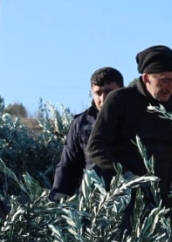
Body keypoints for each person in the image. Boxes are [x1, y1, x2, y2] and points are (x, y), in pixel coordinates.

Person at [85, 46, 172, 194]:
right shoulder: (119, 101)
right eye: (165, 81)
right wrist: (127, 178)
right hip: (126, 197)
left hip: (164, 197)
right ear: (146, 78)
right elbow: (95, 147)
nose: (170, 87)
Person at [52, 67, 124, 197]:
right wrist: (58, 198)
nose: (103, 99)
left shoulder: (135, 119)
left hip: (130, 198)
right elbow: (68, 166)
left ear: (121, 91)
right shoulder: (81, 123)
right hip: (92, 201)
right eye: (98, 93)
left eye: (109, 92)